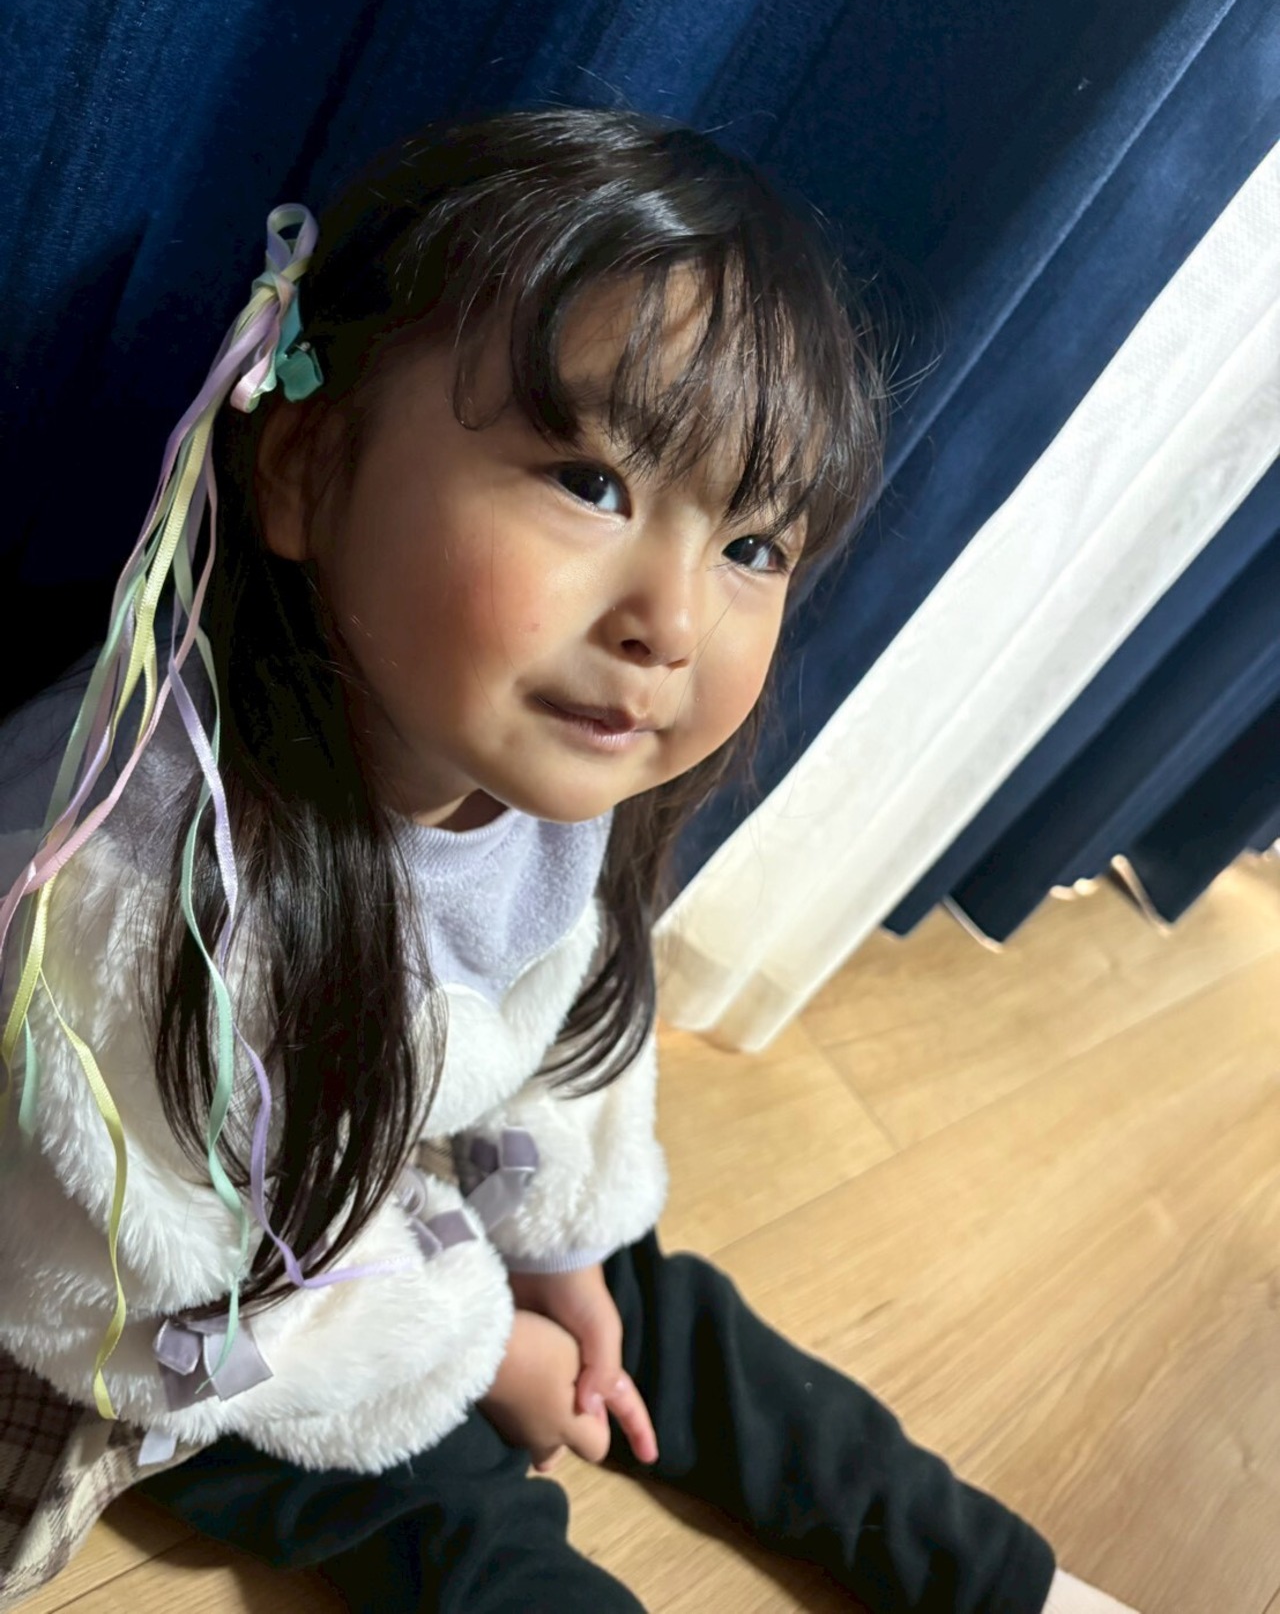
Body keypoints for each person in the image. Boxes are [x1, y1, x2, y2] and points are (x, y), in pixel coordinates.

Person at [0, 108, 1138, 1614]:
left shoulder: (540, 748)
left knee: (664, 1308)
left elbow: (562, 1037)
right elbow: (147, 1281)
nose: (673, 619)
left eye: (753, 545)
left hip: (371, 1169)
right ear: (307, 469)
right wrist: (484, 1350)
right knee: (457, 1515)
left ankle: (1002, 1583)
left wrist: (565, 1256)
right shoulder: (133, 903)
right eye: (592, 482)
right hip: (204, 1312)